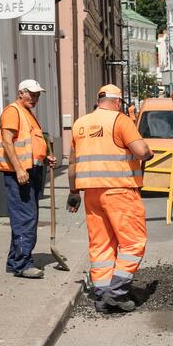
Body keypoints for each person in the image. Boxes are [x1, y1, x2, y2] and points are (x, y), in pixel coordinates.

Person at [66, 84, 154, 313]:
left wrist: (73, 192)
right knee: (133, 242)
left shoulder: (80, 124)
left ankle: (102, 297)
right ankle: (117, 292)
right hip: (119, 191)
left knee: (101, 244)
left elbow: (73, 164)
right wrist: (148, 152)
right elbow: (141, 151)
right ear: (117, 102)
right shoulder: (120, 120)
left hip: (91, 194)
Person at [0, 79, 57, 279]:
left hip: (30, 171)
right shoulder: (13, 111)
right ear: (21, 92)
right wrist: (19, 168)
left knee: (25, 217)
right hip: (19, 174)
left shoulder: (27, 113)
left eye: (38, 94)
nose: (35, 97)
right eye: (32, 93)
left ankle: (14, 261)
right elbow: (7, 141)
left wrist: (43, 157)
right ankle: (23, 264)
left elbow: (28, 145)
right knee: (25, 218)